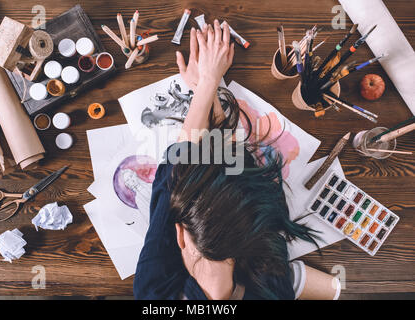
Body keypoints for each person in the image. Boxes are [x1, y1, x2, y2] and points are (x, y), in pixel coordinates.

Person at [134, 20, 341, 300]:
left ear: (180, 235)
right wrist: (209, 85)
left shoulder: (153, 292)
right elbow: (202, 165)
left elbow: (181, 164)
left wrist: (207, 85)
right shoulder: (152, 294)